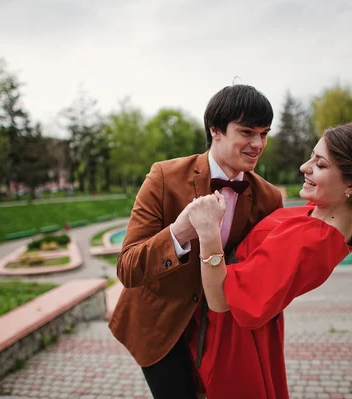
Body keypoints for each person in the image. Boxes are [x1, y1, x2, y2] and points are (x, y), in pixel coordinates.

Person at [185, 122, 352, 399]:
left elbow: (220, 299)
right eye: (312, 157)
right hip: (252, 330)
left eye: (320, 164)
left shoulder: (310, 241)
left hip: (233, 340)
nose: (305, 167)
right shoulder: (331, 216)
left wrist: (208, 233)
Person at [108, 84, 284, 399]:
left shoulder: (269, 197)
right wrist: (179, 233)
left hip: (226, 332)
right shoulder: (164, 178)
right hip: (162, 328)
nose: (258, 144)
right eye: (247, 132)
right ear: (215, 130)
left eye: (264, 133)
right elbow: (127, 268)